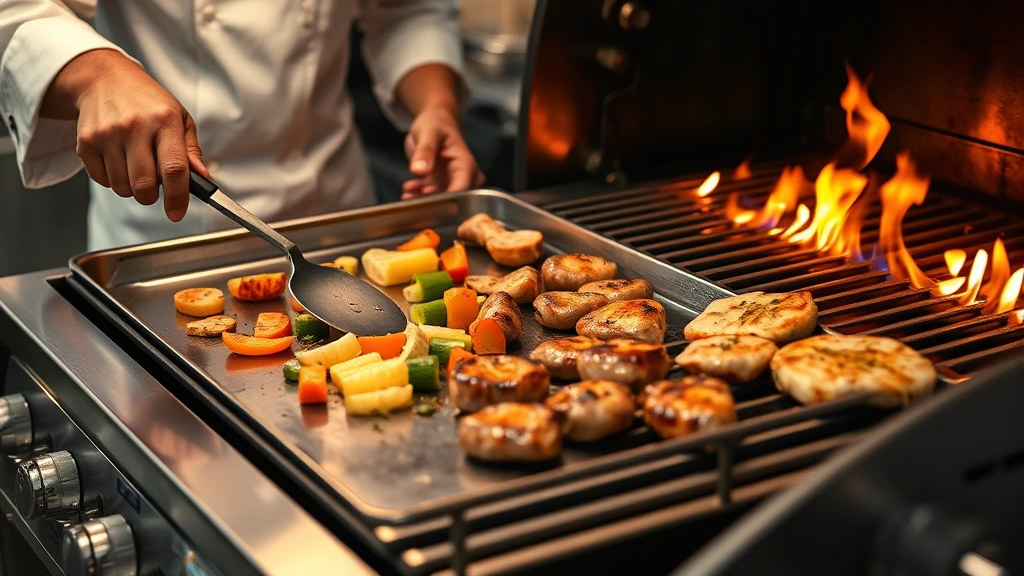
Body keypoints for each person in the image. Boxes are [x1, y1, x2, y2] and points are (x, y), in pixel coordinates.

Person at [0, 1, 484, 250]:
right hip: (161, 234)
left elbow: (407, 11)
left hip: (332, 216)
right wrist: (97, 73)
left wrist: (435, 107)